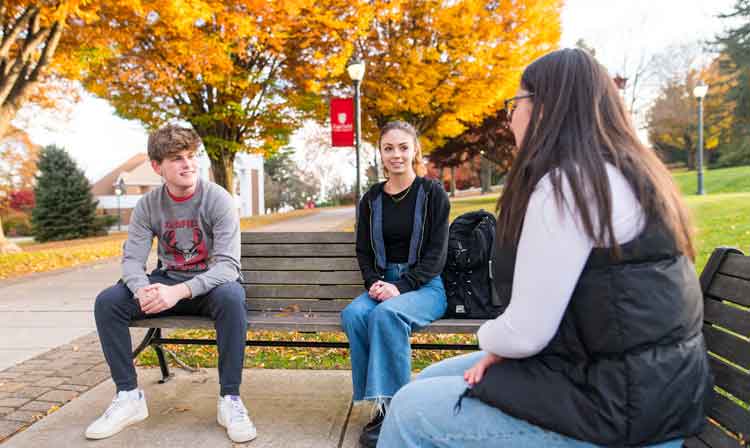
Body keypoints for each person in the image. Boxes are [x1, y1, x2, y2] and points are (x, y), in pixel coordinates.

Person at [378, 48, 712, 447]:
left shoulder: (570, 186)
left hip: (621, 411)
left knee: (410, 409)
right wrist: (508, 350)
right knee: (431, 380)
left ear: (545, 107)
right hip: (642, 390)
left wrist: (496, 343)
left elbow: (525, 334)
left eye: (515, 104)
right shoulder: (620, 172)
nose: (510, 117)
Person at [85, 125, 256, 443]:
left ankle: (230, 399)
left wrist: (177, 292)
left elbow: (228, 267)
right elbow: (132, 261)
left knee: (233, 298)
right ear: (157, 166)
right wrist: (142, 289)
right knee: (108, 302)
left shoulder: (217, 199)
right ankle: (128, 397)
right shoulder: (148, 205)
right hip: (165, 282)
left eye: (192, 156)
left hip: (209, 287)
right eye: (177, 158)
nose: (188, 164)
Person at [341, 120, 450, 447]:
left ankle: (396, 409)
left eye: (403, 147)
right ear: (381, 153)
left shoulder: (432, 193)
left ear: (415, 149)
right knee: (354, 314)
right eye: (388, 148)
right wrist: (375, 281)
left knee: (386, 315)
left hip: (425, 286)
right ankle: (380, 403)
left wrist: (401, 286)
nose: (396, 155)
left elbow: (436, 253)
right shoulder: (371, 199)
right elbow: (363, 249)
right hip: (383, 282)